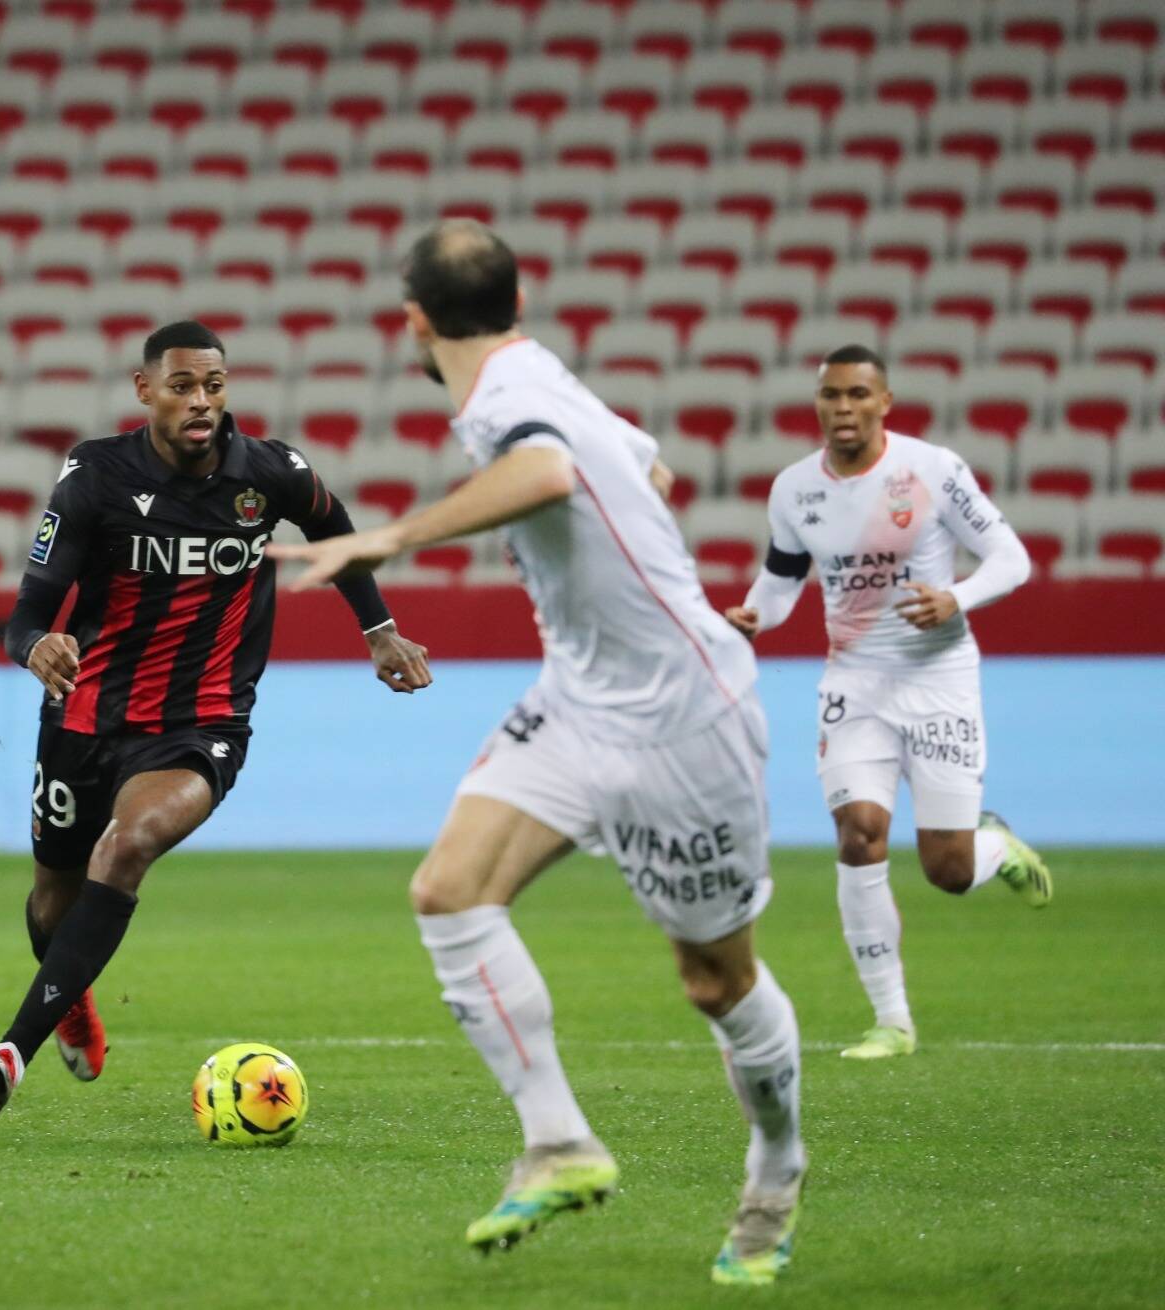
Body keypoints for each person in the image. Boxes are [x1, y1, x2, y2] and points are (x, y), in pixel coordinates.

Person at [271, 220, 803, 1287]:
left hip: (680, 722)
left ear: (412, 322)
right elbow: (650, 468)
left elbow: (553, 471)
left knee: (713, 977)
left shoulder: (516, 404)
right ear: (513, 302)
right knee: (449, 889)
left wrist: (384, 538)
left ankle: (774, 1169)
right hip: (577, 701)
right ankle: (558, 1142)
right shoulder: (532, 372)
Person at [0, 320, 434, 1129]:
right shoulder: (92, 476)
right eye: (182, 386)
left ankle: (11, 1052)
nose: (201, 401)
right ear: (145, 392)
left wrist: (377, 626)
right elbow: (25, 617)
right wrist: (37, 647)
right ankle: (72, 998)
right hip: (85, 715)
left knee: (131, 843)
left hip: (201, 721)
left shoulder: (270, 472)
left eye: (213, 385)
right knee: (51, 902)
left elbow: (334, 529)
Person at [724, 345, 1049, 1062]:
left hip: (940, 684)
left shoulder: (932, 471)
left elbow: (1012, 558)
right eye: (831, 395)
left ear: (884, 403)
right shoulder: (794, 490)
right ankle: (892, 1022)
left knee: (949, 871)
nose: (843, 408)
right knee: (859, 833)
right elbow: (779, 583)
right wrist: (753, 615)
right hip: (854, 685)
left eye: (857, 395)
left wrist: (954, 598)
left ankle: (997, 848)